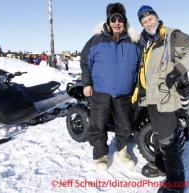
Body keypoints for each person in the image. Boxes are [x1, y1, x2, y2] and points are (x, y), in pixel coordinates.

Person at [132, 5, 189, 193]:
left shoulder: (172, 36)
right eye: (144, 21)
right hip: (151, 98)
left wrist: (178, 70)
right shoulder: (144, 42)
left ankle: (176, 183)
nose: (148, 23)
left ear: (157, 18)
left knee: (168, 140)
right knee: (158, 135)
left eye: (150, 19)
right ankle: (160, 166)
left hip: (167, 97)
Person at [80, 2, 140, 171]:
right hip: (100, 91)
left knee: (125, 124)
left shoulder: (134, 42)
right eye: (112, 19)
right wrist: (86, 84)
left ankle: (122, 151)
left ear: (124, 21)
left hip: (124, 92)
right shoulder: (96, 40)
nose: (116, 22)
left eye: (119, 19)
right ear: (108, 21)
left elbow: (141, 66)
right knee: (98, 124)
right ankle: (100, 155)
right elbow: (85, 62)